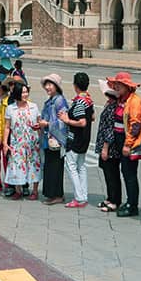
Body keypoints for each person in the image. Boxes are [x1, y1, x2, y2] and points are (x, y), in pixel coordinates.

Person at [110, 72, 141, 218]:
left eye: (119, 84)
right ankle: (129, 201)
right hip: (119, 139)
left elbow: (135, 125)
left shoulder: (134, 101)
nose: (116, 86)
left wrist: (127, 144)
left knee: (130, 174)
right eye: (115, 84)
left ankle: (133, 205)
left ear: (127, 86)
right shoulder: (121, 99)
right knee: (125, 172)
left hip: (128, 141)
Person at [2, 81, 44, 199]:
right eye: (22, 92)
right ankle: (18, 190)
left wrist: (40, 134)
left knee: (34, 165)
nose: (25, 94)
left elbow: (39, 123)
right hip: (17, 142)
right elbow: (7, 127)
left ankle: (35, 191)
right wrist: (5, 143)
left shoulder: (34, 106)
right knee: (16, 165)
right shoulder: (11, 108)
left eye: (26, 92)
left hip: (32, 142)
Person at [59, 72, 94, 208]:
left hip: (76, 139)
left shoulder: (79, 102)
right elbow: (92, 117)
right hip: (85, 139)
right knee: (81, 167)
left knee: (72, 167)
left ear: (75, 86)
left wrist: (67, 120)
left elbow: (82, 122)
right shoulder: (89, 101)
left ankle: (79, 197)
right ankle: (83, 196)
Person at [39, 74, 69, 205]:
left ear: (56, 86)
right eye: (46, 84)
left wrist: (48, 124)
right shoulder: (50, 100)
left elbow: (62, 122)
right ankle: (51, 194)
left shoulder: (59, 101)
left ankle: (57, 194)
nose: (47, 87)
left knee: (55, 167)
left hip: (56, 139)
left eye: (50, 84)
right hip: (48, 138)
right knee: (49, 167)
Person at [94, 79, 121, 212]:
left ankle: (115, 200)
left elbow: (110, 129)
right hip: (105, 144)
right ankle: (110, 197)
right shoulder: (109, 105)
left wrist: (105, 147)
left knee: (112, 174)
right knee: (107, 173)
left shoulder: (114, 107)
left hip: (110, 147)